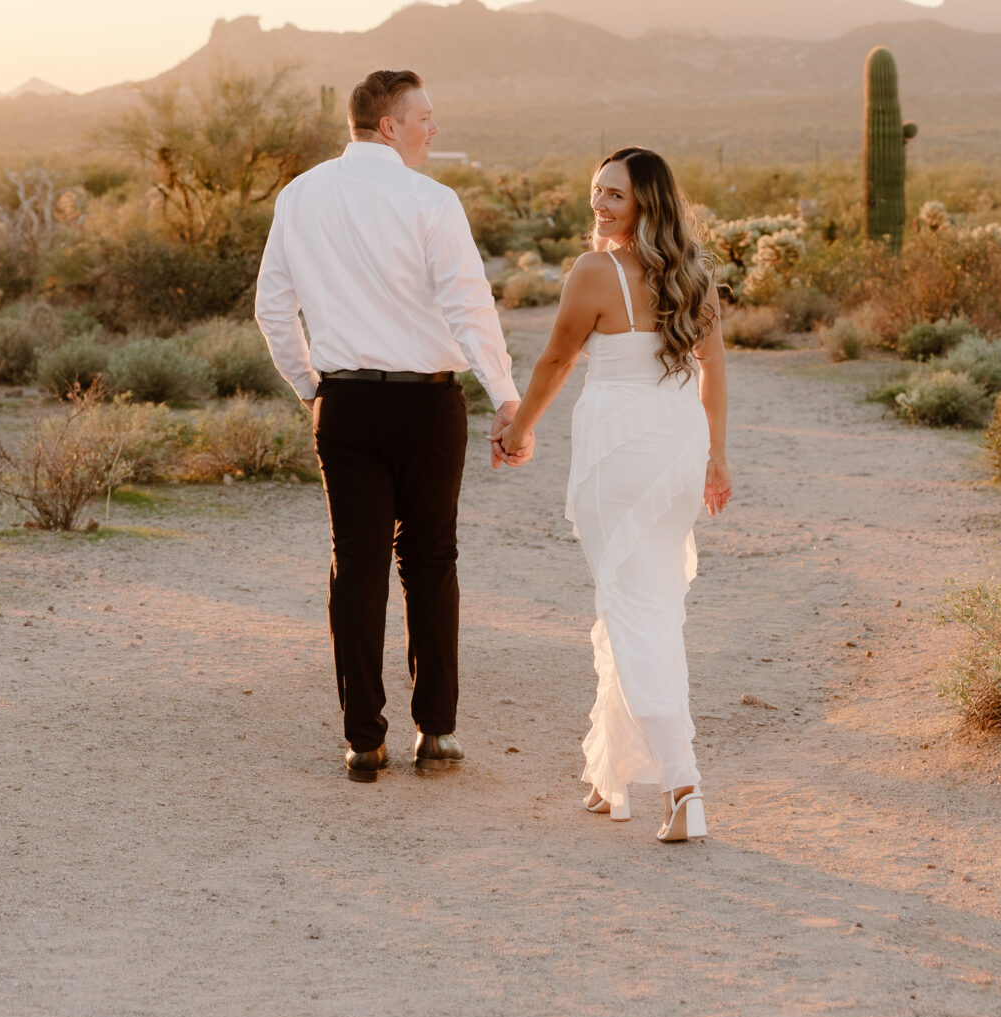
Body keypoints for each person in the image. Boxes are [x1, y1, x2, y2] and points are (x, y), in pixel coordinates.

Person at [255, 66, 530, 782]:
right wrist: (506, 396)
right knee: (431, 562)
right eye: (423, 117)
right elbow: (469, 306)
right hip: (428, 406)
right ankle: (435, 732)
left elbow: (271, 308)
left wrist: (310, 386)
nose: (433, 129)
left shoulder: (301, 195)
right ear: (388, 126)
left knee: (357, 567)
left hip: (343, 404)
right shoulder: (430, 201)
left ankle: (362, 740)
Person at [495, 145, 730, 842]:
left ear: (645, 205)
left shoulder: (595, 271)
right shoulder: (694, 276)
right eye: (596, 192)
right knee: (639, 605)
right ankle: (612, 774)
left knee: (632, 611)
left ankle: (682, 783)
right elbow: (712, 373)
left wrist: (516, 434)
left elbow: (557, 358)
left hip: (620, 456)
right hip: (678, 452)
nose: (598, 206)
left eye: (614, 197)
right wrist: (716, 461)